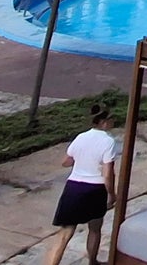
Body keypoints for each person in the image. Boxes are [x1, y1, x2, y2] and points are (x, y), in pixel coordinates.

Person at [44, 101, 118, 265]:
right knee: (95, 228)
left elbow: (66, 162)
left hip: (74, 187)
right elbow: (108, 173)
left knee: (65, 233)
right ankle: (92, 261)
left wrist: (82, 158)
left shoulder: (81, 137)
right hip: (95, 189)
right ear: (104, 122)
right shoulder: (108, 142)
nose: (113, 121)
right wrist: (112, 194)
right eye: (111, 118)